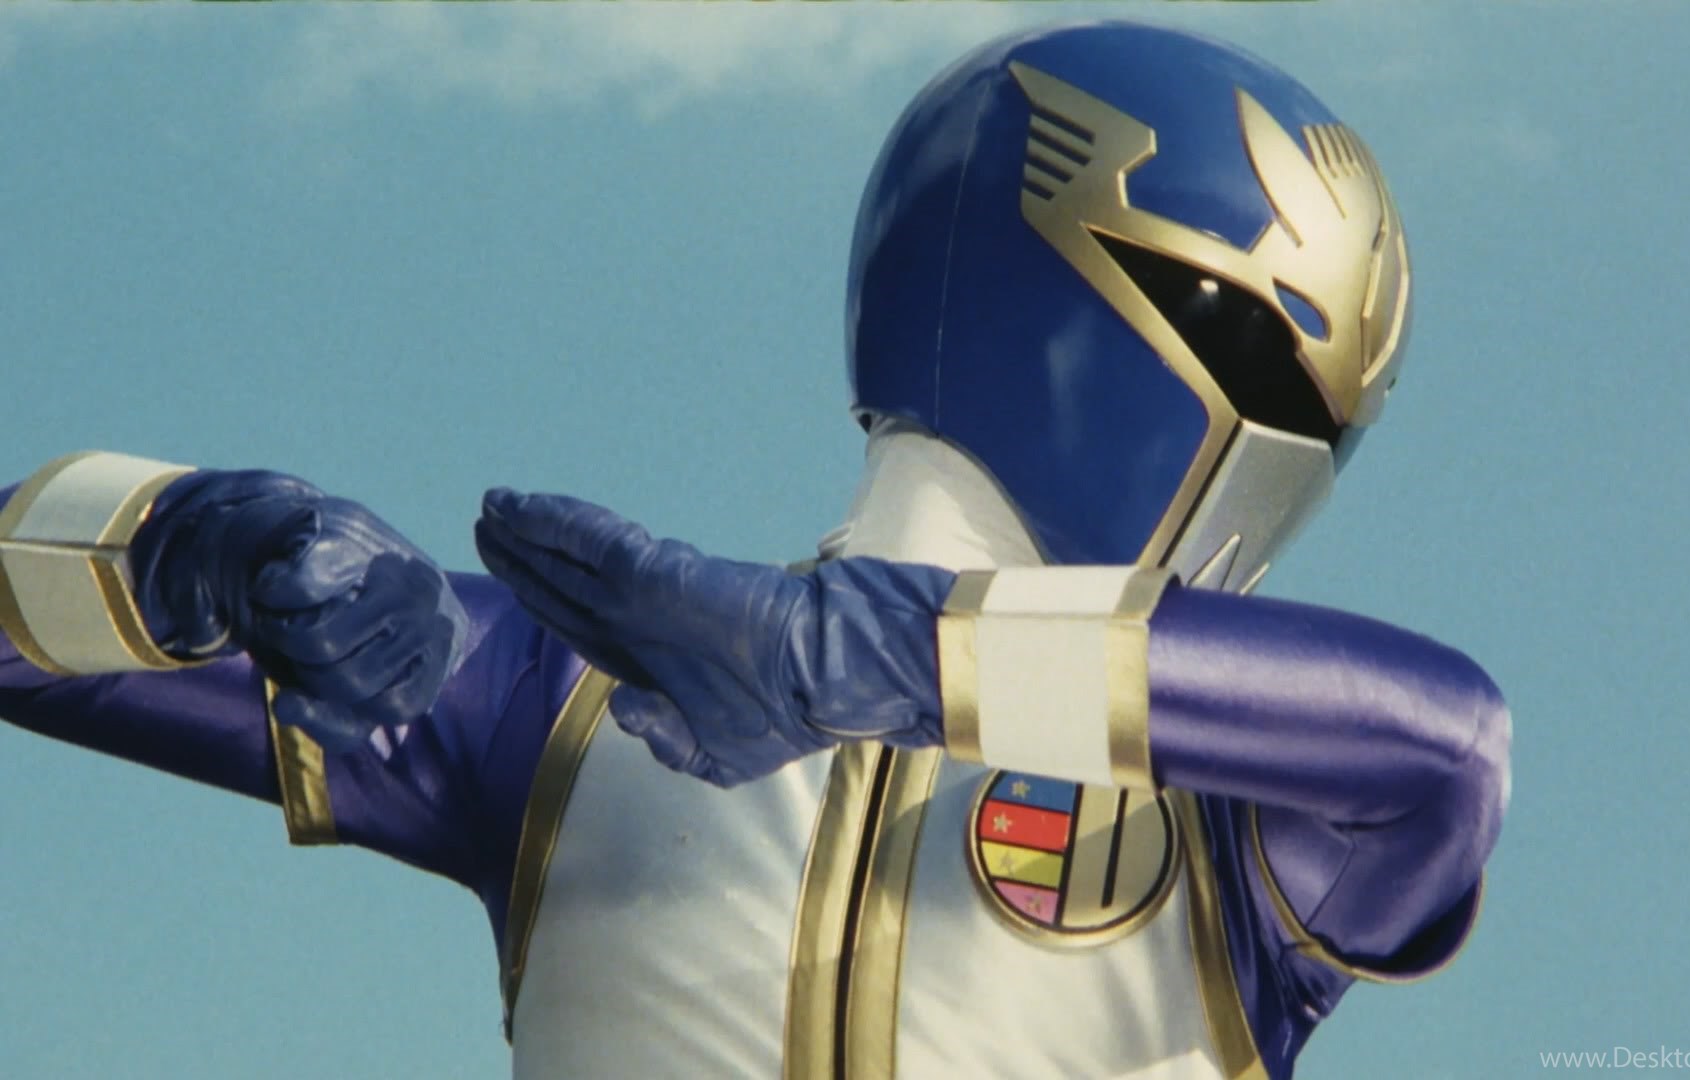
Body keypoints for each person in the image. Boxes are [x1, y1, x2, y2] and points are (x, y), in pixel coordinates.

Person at [0, 22, 1509, 1079]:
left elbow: (1447, 749)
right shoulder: (559, 694)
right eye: (1250, 355)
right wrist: (198, 549)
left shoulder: (1225, 793)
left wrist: (867, 656)